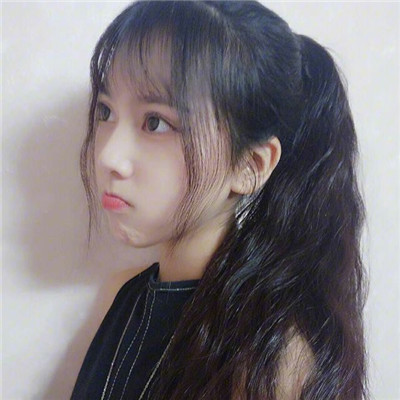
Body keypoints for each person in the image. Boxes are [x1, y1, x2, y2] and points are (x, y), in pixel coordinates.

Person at [72, 1, 368, 399]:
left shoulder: (270, 360)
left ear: (250, 165)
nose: (109, 156)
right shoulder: (125, 296)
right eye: (106, 111)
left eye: (155, 122)